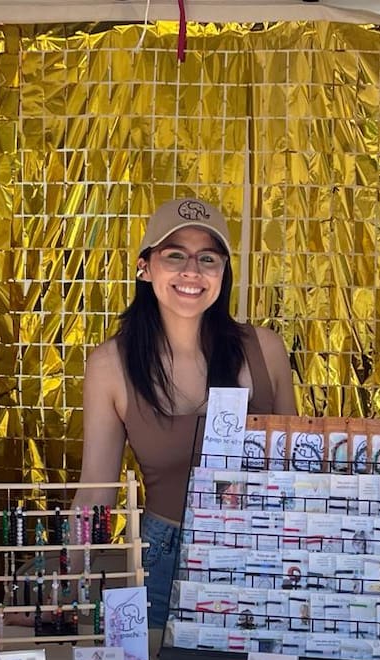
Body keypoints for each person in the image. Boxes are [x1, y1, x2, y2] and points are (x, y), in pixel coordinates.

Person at [76, 197, 296, 634]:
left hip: (260, 555)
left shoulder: (265, 350)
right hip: (163, 558)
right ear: (145, 268)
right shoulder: (110, 365)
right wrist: (55, 581)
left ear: (222, 274)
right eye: (174, 255)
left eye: (207, 258)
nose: (191, 272)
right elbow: (95, 495)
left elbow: (295, 471)